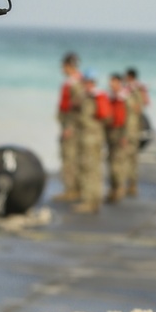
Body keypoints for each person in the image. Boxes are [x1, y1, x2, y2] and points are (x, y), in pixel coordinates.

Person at [73, 72, 107, 214]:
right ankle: (95, 199)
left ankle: (89, 201)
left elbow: (84, 118)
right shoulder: (97, 96)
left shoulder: (90, 98)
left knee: (88, 169)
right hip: (96, 137)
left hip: (89, 138)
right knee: (95, 169)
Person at [55, 53, 85, 203]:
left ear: (69, 66)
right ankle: (75, 189)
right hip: (70, 126)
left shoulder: (75, 84)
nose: (62, 69)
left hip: (71, 127)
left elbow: (77, 109)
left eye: (63, 66)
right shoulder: (77, 82)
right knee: (73, 157)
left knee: (69, 158)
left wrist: (70, 127)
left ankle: (71, 190)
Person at [123, 67, 150, 198]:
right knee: (131, 158)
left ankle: (130, 185)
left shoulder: (132, 90)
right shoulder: (137, 89)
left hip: (131, 129)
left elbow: (141, 106)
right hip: (131, 128)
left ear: (129, 77)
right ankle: (131, 184)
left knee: (128, 157)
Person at [104, 72, 130, 203]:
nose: (110, 84)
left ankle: (119, 188)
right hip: (110, 132)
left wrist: (125, 136)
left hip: (120, 132)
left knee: (117, 162)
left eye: (113, 81)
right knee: (111, 161)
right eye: (110, 82)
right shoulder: (110, 97)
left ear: (119, 82)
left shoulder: (124, 97)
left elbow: (129, 119)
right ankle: (113, 188)